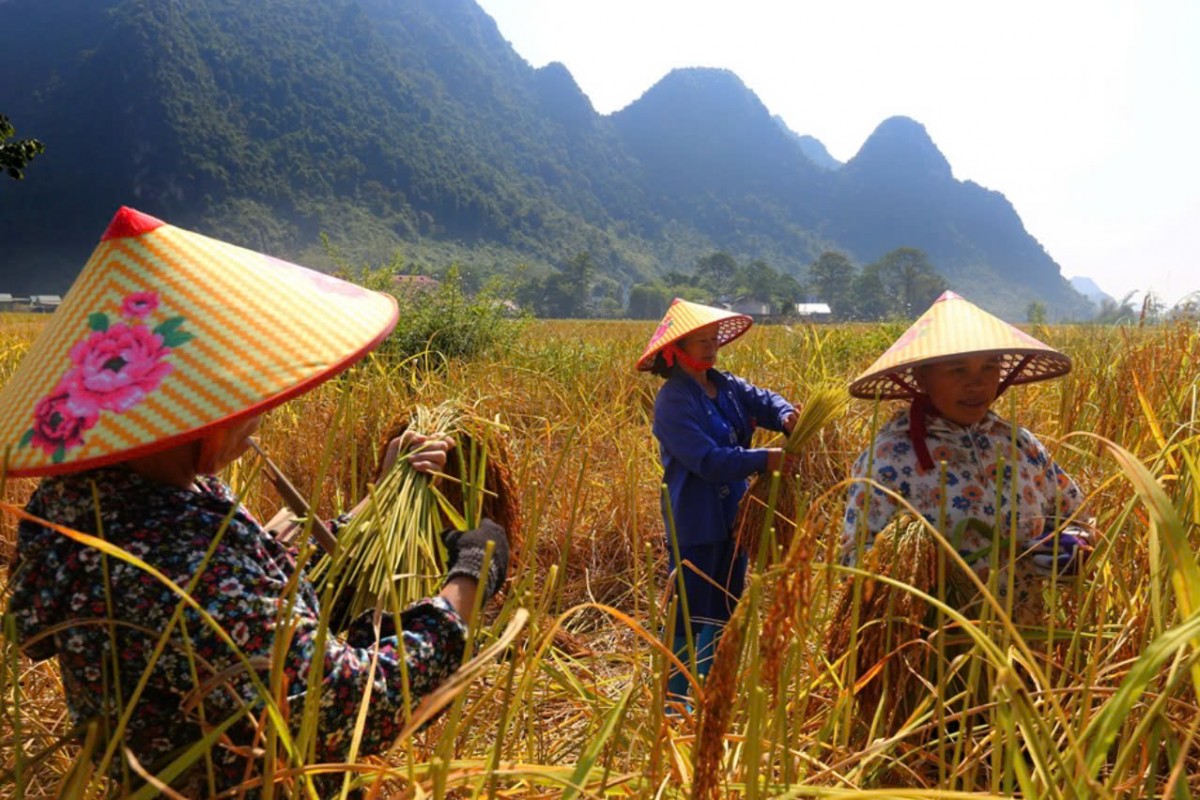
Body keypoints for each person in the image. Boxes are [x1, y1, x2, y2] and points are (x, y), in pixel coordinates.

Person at [1, 207, 509, 795]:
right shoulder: (169, 561)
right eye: (245, 393)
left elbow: (247, 600)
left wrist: (372, 504)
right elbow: (338, 708)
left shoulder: (98, 495)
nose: (261, 416)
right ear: (193, 409)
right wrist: (465, 586)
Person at [842, 291, 1090, 624]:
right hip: (930, 649)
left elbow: (1074, 515)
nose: (977, 383)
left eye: (990, 367)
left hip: (1022, 638)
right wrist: (924, 572)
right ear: (921, 377)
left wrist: (1071, 548)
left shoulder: (1019, 445)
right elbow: (853, 564)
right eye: (958, 370)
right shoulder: (888, 460)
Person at [636, 298, 797, 704]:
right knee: (690, 608)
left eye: (713, 341)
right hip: (695, 519)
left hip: (734, 516)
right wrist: (764, 459)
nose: (710, 349)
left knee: (728, 600)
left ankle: (713, 689)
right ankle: (677, 700)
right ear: (675, 350)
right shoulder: (674, 400)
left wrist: (786, 415)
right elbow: (705, 460)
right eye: (699, 342)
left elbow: (764, 399)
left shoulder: (724, 385)